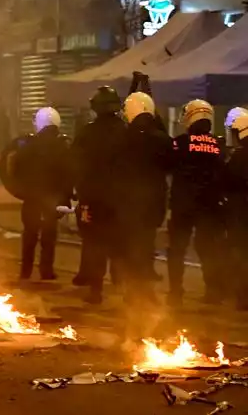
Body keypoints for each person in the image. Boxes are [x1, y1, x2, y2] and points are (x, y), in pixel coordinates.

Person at [167, 99, 228, 307]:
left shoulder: (181, 142)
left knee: (177, 249)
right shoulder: (219, 144)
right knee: (209, 249)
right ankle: (213, 292)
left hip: (183, 204)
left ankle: (175, 292)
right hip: (209, 205)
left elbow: (168, 164)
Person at [71, 86, 129, 304]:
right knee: (119, 244)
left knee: (94, 242)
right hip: (119, 199)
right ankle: (124, 289)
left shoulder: (87, 132)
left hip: (92, 198)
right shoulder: (125, 131)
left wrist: (76, 190)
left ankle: (96, 290)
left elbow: (74, 163)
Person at [115, 91, 173, 307]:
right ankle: (146, 289)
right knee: (147, 244)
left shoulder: (122, 137)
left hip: (128, 201)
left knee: (130, 246)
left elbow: (114, 168)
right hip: (154, 201)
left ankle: (133, 289)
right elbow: (170, 165)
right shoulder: (161, 138)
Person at [11, 107, 74, 281]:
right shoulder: (63, 146)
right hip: (52, 199)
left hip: (31, 198)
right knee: (49, 235)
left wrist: (22, 190)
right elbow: (69, 174)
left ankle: (26, 271)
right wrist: (66, 197)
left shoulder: (28, 146)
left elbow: (15, 170)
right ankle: (46, 271)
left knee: (30, 234)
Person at [224, 114, 248, 310]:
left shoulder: (238, 157)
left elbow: (227, 181)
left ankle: (242, 298)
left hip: (240, 212)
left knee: (240, 254)